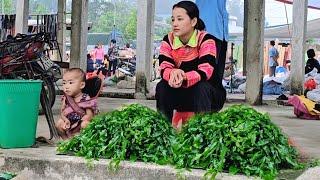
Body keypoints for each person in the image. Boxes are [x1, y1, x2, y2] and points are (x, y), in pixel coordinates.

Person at [155, 1, 226, 124]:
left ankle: (201, 131)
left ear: (193, 22)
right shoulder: (168, 39)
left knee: (202, 87)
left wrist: (183, 77)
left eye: (180, 19)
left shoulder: (206, 39)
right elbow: (164, 66)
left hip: (208, 97)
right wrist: (172, 73)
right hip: (181, 93)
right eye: (173, 20)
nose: (175, 24)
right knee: (162, 87)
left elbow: (205, 71)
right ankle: (163, 130)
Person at [55, 68, 97, 139]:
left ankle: (83, 141)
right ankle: (66, 141)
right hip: (69, 123)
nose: (66, 86)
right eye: (64, 83)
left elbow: (90, 115)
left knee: (86, 124)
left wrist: (79, 123)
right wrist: (65, 120)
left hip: (80, 123)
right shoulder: (66, 98)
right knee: (59, 123)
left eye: (70, 83)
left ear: (82, 85)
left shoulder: (86, 98)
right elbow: (62, 112)